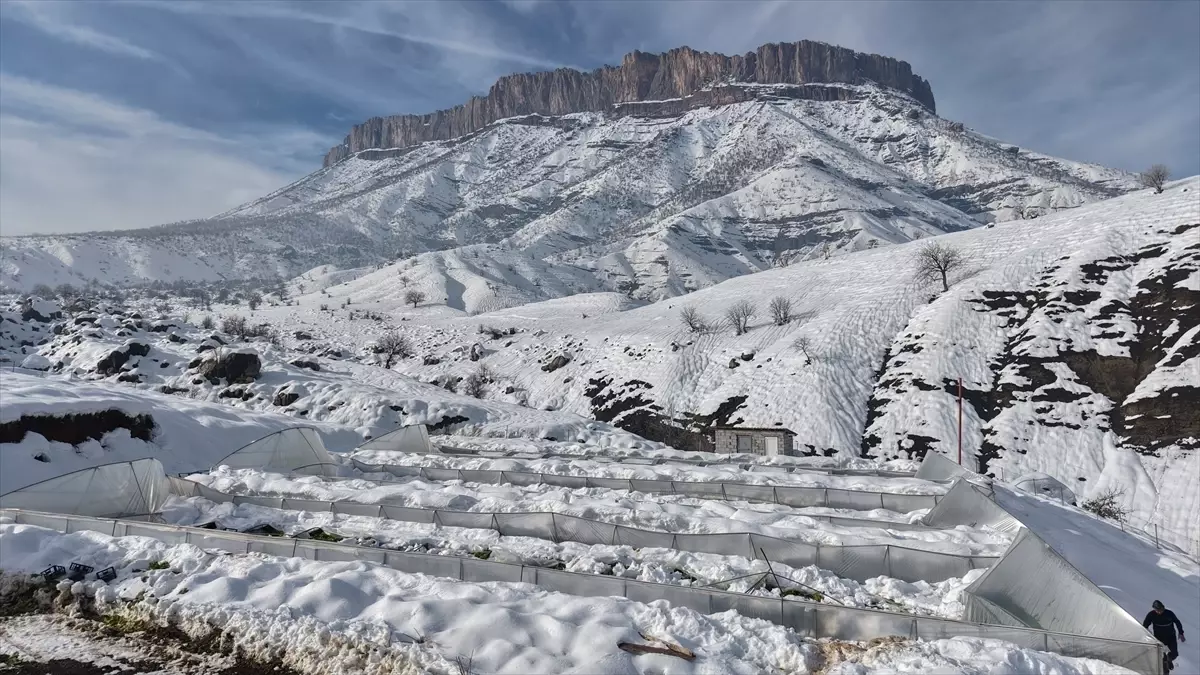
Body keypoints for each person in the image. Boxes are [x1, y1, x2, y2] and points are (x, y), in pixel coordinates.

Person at [1144, 600, 1185, 672]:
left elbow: (1177, 622)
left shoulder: (1169, 613)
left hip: (1171, 636)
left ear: (1163, 608)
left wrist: (1181, 632)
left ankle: (1169, 659)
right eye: (1157, 610)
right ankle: (1165, 670)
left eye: (1160, 610)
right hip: (1159, 638)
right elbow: (1145, 625)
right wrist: (1146, 634)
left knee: (1174, 654)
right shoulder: (1151, 615)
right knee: (1162, 657)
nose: (1159, 612)